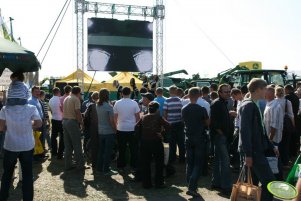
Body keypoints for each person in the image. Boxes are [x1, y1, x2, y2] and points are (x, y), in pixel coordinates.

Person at [239, 78, 279, 201]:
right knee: (269, 182)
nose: (267, 92)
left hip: (256, 150)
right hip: (254, 151)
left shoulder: (254, 104)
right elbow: (245, 132)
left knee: (253, 184)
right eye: (265, 89)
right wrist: (249, 154)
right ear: (258, 89)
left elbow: (260, 130)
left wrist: (272, 146)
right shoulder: (248, 105)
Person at [0, 85, 42, 201]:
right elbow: (39, 124)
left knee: (7, 174)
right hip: (27, 145)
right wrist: (29, 125)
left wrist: (9, 127)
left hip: (10, 145)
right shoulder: (30, 108)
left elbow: (1, 127)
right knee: (28, 175)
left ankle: (3, 197)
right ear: (25, 94)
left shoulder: (5, 109)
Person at [182, 87, 209, 197]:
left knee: (190, 163)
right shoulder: (201, 108)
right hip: (199, 138)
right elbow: (207, 123)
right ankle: (192, 187)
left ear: (188, 95)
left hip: (188, 137)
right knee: (198, 163)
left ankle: (190, 185)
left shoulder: (184, 108)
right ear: (199, 95)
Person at [136, 101, 170, 189]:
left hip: (144, 142)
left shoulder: (143, 117)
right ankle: (159, 183)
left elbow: (136, 127)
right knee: (159, 163)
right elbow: (168, 125)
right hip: (156, 142)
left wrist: (140, 137)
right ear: (157, 109)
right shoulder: (158, 117)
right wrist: (162, 133)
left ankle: (146, 183)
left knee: (145, 163)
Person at [210, 84, 232, 195]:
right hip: (219, 137)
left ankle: (216, 182)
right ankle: (226, 187)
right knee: (225, 161)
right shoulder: (217, 103)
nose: (228, 93)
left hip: (222, 136)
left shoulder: (222, 102)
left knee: (218, 160)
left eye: (229, 91)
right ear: (219, 92)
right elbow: (213, 122)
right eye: (225, 92)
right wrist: (222, 134)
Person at [113, 87, 140, 171]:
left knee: (121, 148)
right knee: (133, 148)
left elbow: (115, 117)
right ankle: (134, 165)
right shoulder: (134, 103)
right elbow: (138, 117)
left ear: (121, 93)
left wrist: (116, 126)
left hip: (120, 128)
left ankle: (121, 165)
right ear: (130, 93)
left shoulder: (117, 103)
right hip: (132, 128)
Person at [63, 86, 87, 171]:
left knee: (68, 145)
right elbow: (77, 112)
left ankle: (68, 165)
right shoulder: (76, 99)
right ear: (78, 92)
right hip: (72, 122)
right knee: (77, 144)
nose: (80, 95)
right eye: (80, 93)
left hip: (65, 121)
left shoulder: (67, 98)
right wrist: (82, 123)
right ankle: (80, 165)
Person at [263, 86, 283, 180]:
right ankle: (275, 179)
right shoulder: (269, 104)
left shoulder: (274, 106)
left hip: (273, 139)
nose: (263, 93)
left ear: (270, 93)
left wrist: (270, 140)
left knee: (274, 160)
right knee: (273, 160)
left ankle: (277, 180)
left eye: (265, 91)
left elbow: (274, 125)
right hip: (269, 138)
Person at [163, 86, 185, 164]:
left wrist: (165, 123)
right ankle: (182, 159)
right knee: (181, 142)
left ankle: (172, 159)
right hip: (179, 123)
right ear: (176, 92)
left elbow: (165, 113)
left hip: (170, 124)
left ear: (169, 92)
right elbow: (183, 113)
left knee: (172, 143)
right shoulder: (181, 101)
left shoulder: (167, 101)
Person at [275, 86, 294, 167]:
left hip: (276, 125)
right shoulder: (287, 102)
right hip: (286, 126)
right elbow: (291, 115)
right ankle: (285, 162)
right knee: (285, 144)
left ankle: (278, 162)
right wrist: (293, 125)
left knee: (278, 144)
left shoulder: (273, 102)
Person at [48, 87, 64, 159]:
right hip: (60, 119)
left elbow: (50, 110)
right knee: (62, 137)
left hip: (54, 119)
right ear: (58, 92)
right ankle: (60, 153)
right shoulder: (60, 99)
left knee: (53, 137)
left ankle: (54, 152)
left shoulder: (50, 100)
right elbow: (62, 110)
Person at [285, 84, 300, 157]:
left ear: (287, 89)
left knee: (290, 138)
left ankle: (291, 153)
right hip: (296, 118)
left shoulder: (287, 97)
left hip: (290, 120)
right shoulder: (296, 97)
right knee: (295, 137)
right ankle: (295, 152)